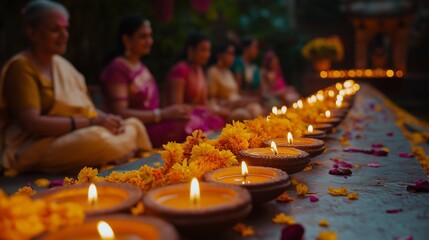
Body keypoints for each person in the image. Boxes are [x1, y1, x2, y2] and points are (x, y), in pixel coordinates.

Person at [0, 0, 151, 174]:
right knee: (97, 139)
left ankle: (116, 150)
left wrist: (107, 119)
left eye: (65, 29)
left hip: (72, 135)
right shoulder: (21, 67)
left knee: (133, 124)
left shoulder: (62, 65)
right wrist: (92, 122)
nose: (64, 35)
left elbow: (86, 109)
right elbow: (32, 123)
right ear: (32, 32)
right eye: (55, 30)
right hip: (35, 145)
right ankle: (120, 150)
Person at [101, 15, 193, 148]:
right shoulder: (117, 68)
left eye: (150, 36)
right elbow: (120, 112)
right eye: (143, 37)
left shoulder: (140, 66)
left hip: (154, 124)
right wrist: (162, 114)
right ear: (126, 40)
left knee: (196, 117)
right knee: (189, 126)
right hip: (135, 130)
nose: (149, 41)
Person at [166, 33, 224, 131]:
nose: (207, 54)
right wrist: (208, 110)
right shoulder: (180, 70)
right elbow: (177, 107)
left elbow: (204, 103)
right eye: (203, 50)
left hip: (199, 115)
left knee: (220, 120)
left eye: (208, 50)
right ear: (191, 51)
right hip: (181, 119)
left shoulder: (199, 70)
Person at [207, 42, 263, 121]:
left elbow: (236, 94)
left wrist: (241, 102)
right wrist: (231, 104)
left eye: (233, 54)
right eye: (229, 54)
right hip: (223, 108)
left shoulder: (228, 72)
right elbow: (212, 99)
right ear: (219, 55)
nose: (232, 57)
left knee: (256, 108)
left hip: (236, 105)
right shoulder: (213, 71)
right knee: (243, 114)